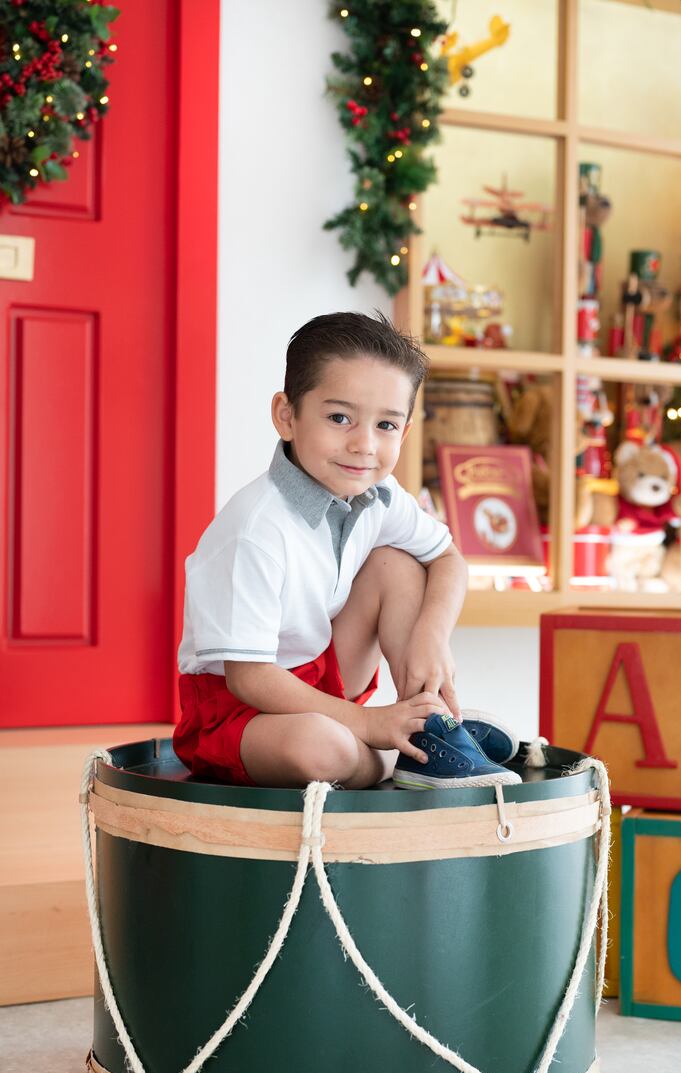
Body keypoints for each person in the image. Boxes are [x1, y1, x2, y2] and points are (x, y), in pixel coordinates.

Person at [173, 311, 521, 791]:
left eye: (385, 425)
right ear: (286, 416)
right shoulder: (254, 529)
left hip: (323, 680)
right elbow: (249, 679)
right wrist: (369, 726)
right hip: (238, 714)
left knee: (396, 564)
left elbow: (447, 558)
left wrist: (431, 635)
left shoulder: (378, 495)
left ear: (405, 429)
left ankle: (431, 728)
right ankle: (402, 750)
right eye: (340, 418)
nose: (363, 444)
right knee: (320, 747)